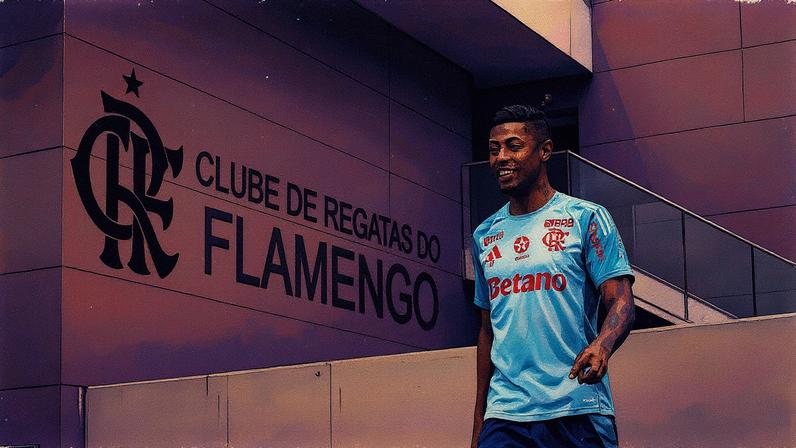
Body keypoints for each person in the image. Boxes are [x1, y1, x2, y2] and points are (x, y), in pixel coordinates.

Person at [470, 105, 635, 447]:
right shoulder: (484, 235)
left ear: (545, 150)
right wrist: (479, 425)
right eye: (493, 149)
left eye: (513, 146)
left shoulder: (586, 218)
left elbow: (620, 299)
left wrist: (602, 346)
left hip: (577, 407)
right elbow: (488, 330)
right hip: (506, 416)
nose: (501, 157)